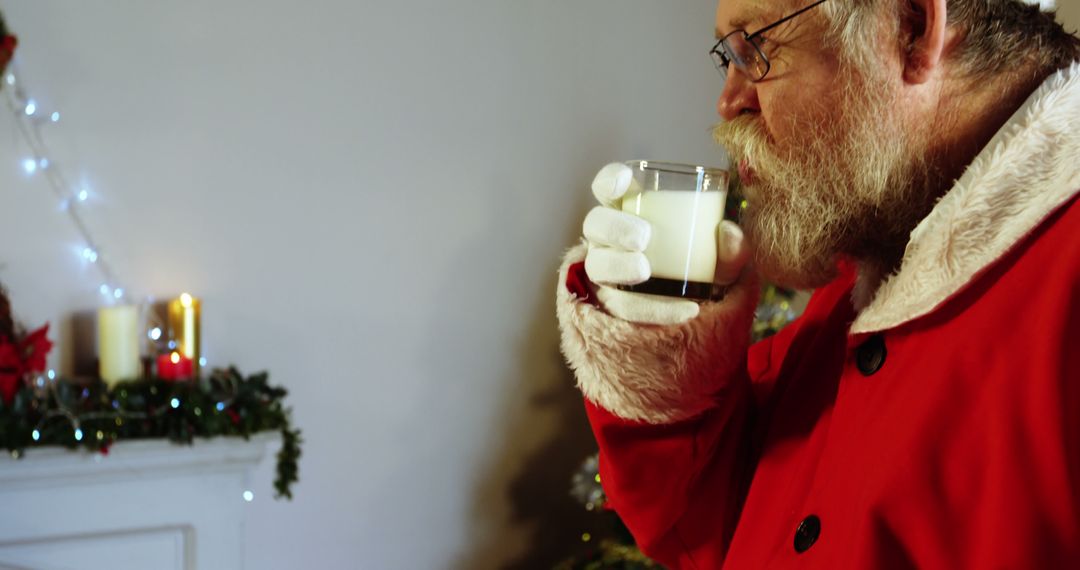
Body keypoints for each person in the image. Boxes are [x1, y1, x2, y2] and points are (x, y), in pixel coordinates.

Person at [555, 0, 1080, 567]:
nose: (729, 102)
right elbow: (713, 534)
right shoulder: (870, 273)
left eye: (755, 48)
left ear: (912, 29)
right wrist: (661, 361)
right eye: (728, 58)